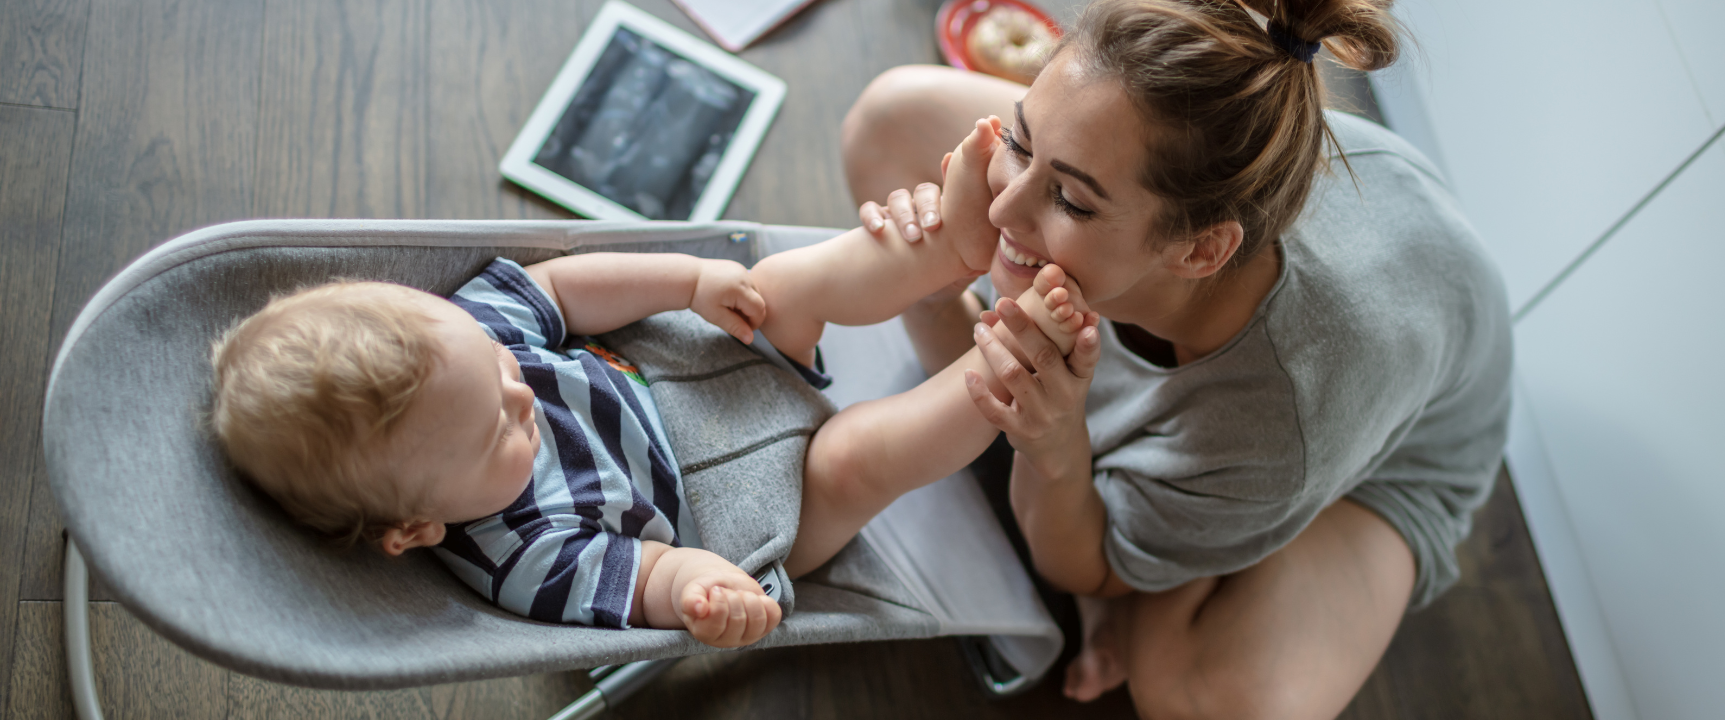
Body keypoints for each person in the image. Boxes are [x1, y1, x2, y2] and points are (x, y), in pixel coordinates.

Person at [842, 0, 1514, 716]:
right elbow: (896, 139)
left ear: (1199, 251)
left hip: (1385, 461)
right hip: (1230, 278)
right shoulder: (1155, 175)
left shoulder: (1273, 422)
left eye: (1068, 197)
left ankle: (1170, 534)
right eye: (1019, 136)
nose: (1003, 211)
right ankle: (1159, 519)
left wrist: (1055, 445)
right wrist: (932, 289)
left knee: (1188, 695)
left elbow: (1088, 566)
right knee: (891, 120)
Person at [206, 116, 1084, 649]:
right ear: (416, 526)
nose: (523, 399)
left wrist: (685, 283)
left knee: (780, 287)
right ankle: (1000, 365)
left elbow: (562, 286)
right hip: (752, 506)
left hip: (685, 369)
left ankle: (959, 243)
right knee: (860, 458)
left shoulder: (466, 338)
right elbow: (646, 572)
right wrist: (702, 591)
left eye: (504, 372)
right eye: (495, 433)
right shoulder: (523, 559)